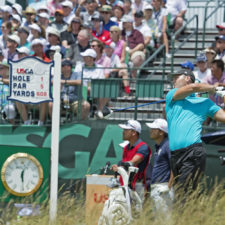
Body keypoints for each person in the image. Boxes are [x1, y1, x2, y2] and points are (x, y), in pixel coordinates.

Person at [165, 68, 225, 193]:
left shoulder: (205, 102)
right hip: (175, 155)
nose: (173, 80)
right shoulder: (172, 95)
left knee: (183, 195)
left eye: (176, 77)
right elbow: (194, 87)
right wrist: (212, 88)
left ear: (187, 78)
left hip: (193, 153)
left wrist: (224, 95)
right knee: (182, 196)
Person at [111, 120, 151, 202]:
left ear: (134, 133)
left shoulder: (143, 147)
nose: (123, 132)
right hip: (125, 184)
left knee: (138, 213)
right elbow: (125, 165)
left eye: (126, 130)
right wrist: (118, 168)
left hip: (137, 185)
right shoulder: (126, 147)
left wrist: (120, 167)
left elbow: (132, 162)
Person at [146, 119, 174, 212]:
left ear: (161, 132)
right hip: (156, 188)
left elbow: (174, 166)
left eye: (154, 129)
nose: (151, 131)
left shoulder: (167, 145)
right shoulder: (159, 146)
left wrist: (168, 186)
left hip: (163, 188)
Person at [0, 59, 16, 124]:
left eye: (2, 68)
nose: (0, 69)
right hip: (1, 105)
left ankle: (12, 127)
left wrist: (2, 80)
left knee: (9, 108)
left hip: (9, 105)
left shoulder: (15, 79)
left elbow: (11, 82)